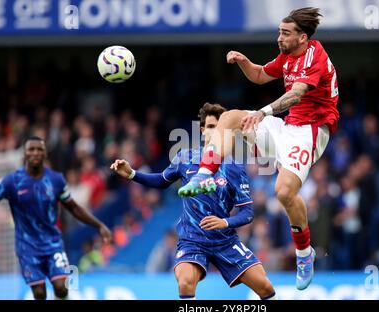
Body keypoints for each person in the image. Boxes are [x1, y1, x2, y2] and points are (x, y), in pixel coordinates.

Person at [178, 7, 339, 290]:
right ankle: (204, 173)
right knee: (228, 118)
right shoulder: (288, 56)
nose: (279, 38)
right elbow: (261, 75)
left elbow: (296, 94)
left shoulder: (315, 56)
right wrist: (243, 61)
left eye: (285, 33)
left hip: (311, 131)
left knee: (284, 192)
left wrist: (263, 113)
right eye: (279, 32)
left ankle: (304, 253)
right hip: (287, 127)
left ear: (302, 37)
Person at [110, 103, 277, 300]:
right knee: (185, 281)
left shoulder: (234, 167)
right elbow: (162, 180)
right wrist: (131, 174)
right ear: (203, 130)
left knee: (265, 286)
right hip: (193, 240)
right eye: (211, 127)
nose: (216, 131)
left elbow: (247, 213)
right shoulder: (185, 157)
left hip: (225, 240)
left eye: (220, 127)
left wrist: (224, 222)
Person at [0, 136, 112, 300]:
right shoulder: (11, 182)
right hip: (27, 246)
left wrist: (99, 225)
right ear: (25, 153)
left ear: (45, 154)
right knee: (39, 293)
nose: (35, 153)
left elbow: (73, 207)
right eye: (31, 149)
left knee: (61, 288)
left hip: (52, 243)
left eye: (39, 149)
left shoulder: (55, 180)